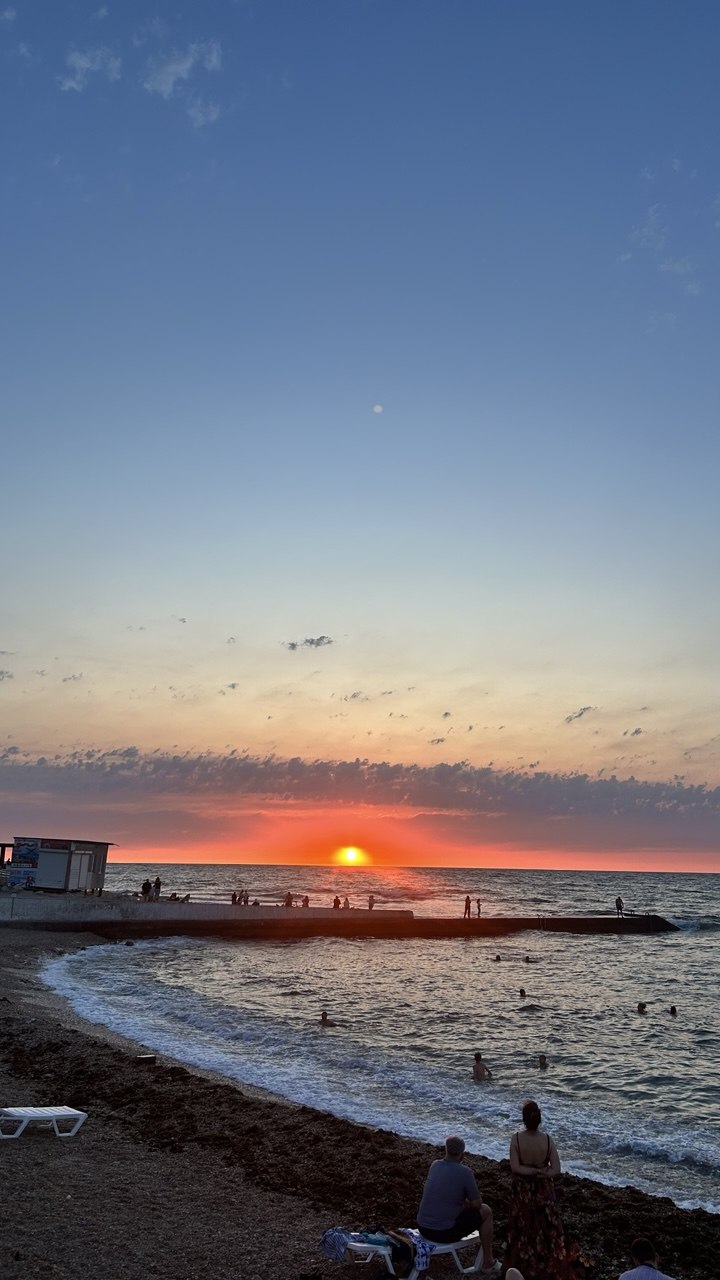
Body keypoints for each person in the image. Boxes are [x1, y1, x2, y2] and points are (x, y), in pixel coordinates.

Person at [504, 1099, 575, 1280]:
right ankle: (547, 1262)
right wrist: (541, 1172)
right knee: (547, 1228)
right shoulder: (548, 1140)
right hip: (543, 1188)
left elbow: (515, 1167)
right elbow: (556, 1169)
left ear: (524, 1119)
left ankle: (522, 1263)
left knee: (523, 1226)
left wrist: (531, 1171)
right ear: (539, 1119)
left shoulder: (517, 1139)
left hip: (523, 1190)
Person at [416, 1135, 500, 1275]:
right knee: (486, 1211)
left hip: (422, 1227)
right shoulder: (465, 1172)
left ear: (446, 1150)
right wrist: (465, 1203)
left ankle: (486, 1260)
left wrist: (460, 1202)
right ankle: (488, 1262)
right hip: (442, 1233)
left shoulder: (435, 1165)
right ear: (462, 1154)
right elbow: (477, 1204)